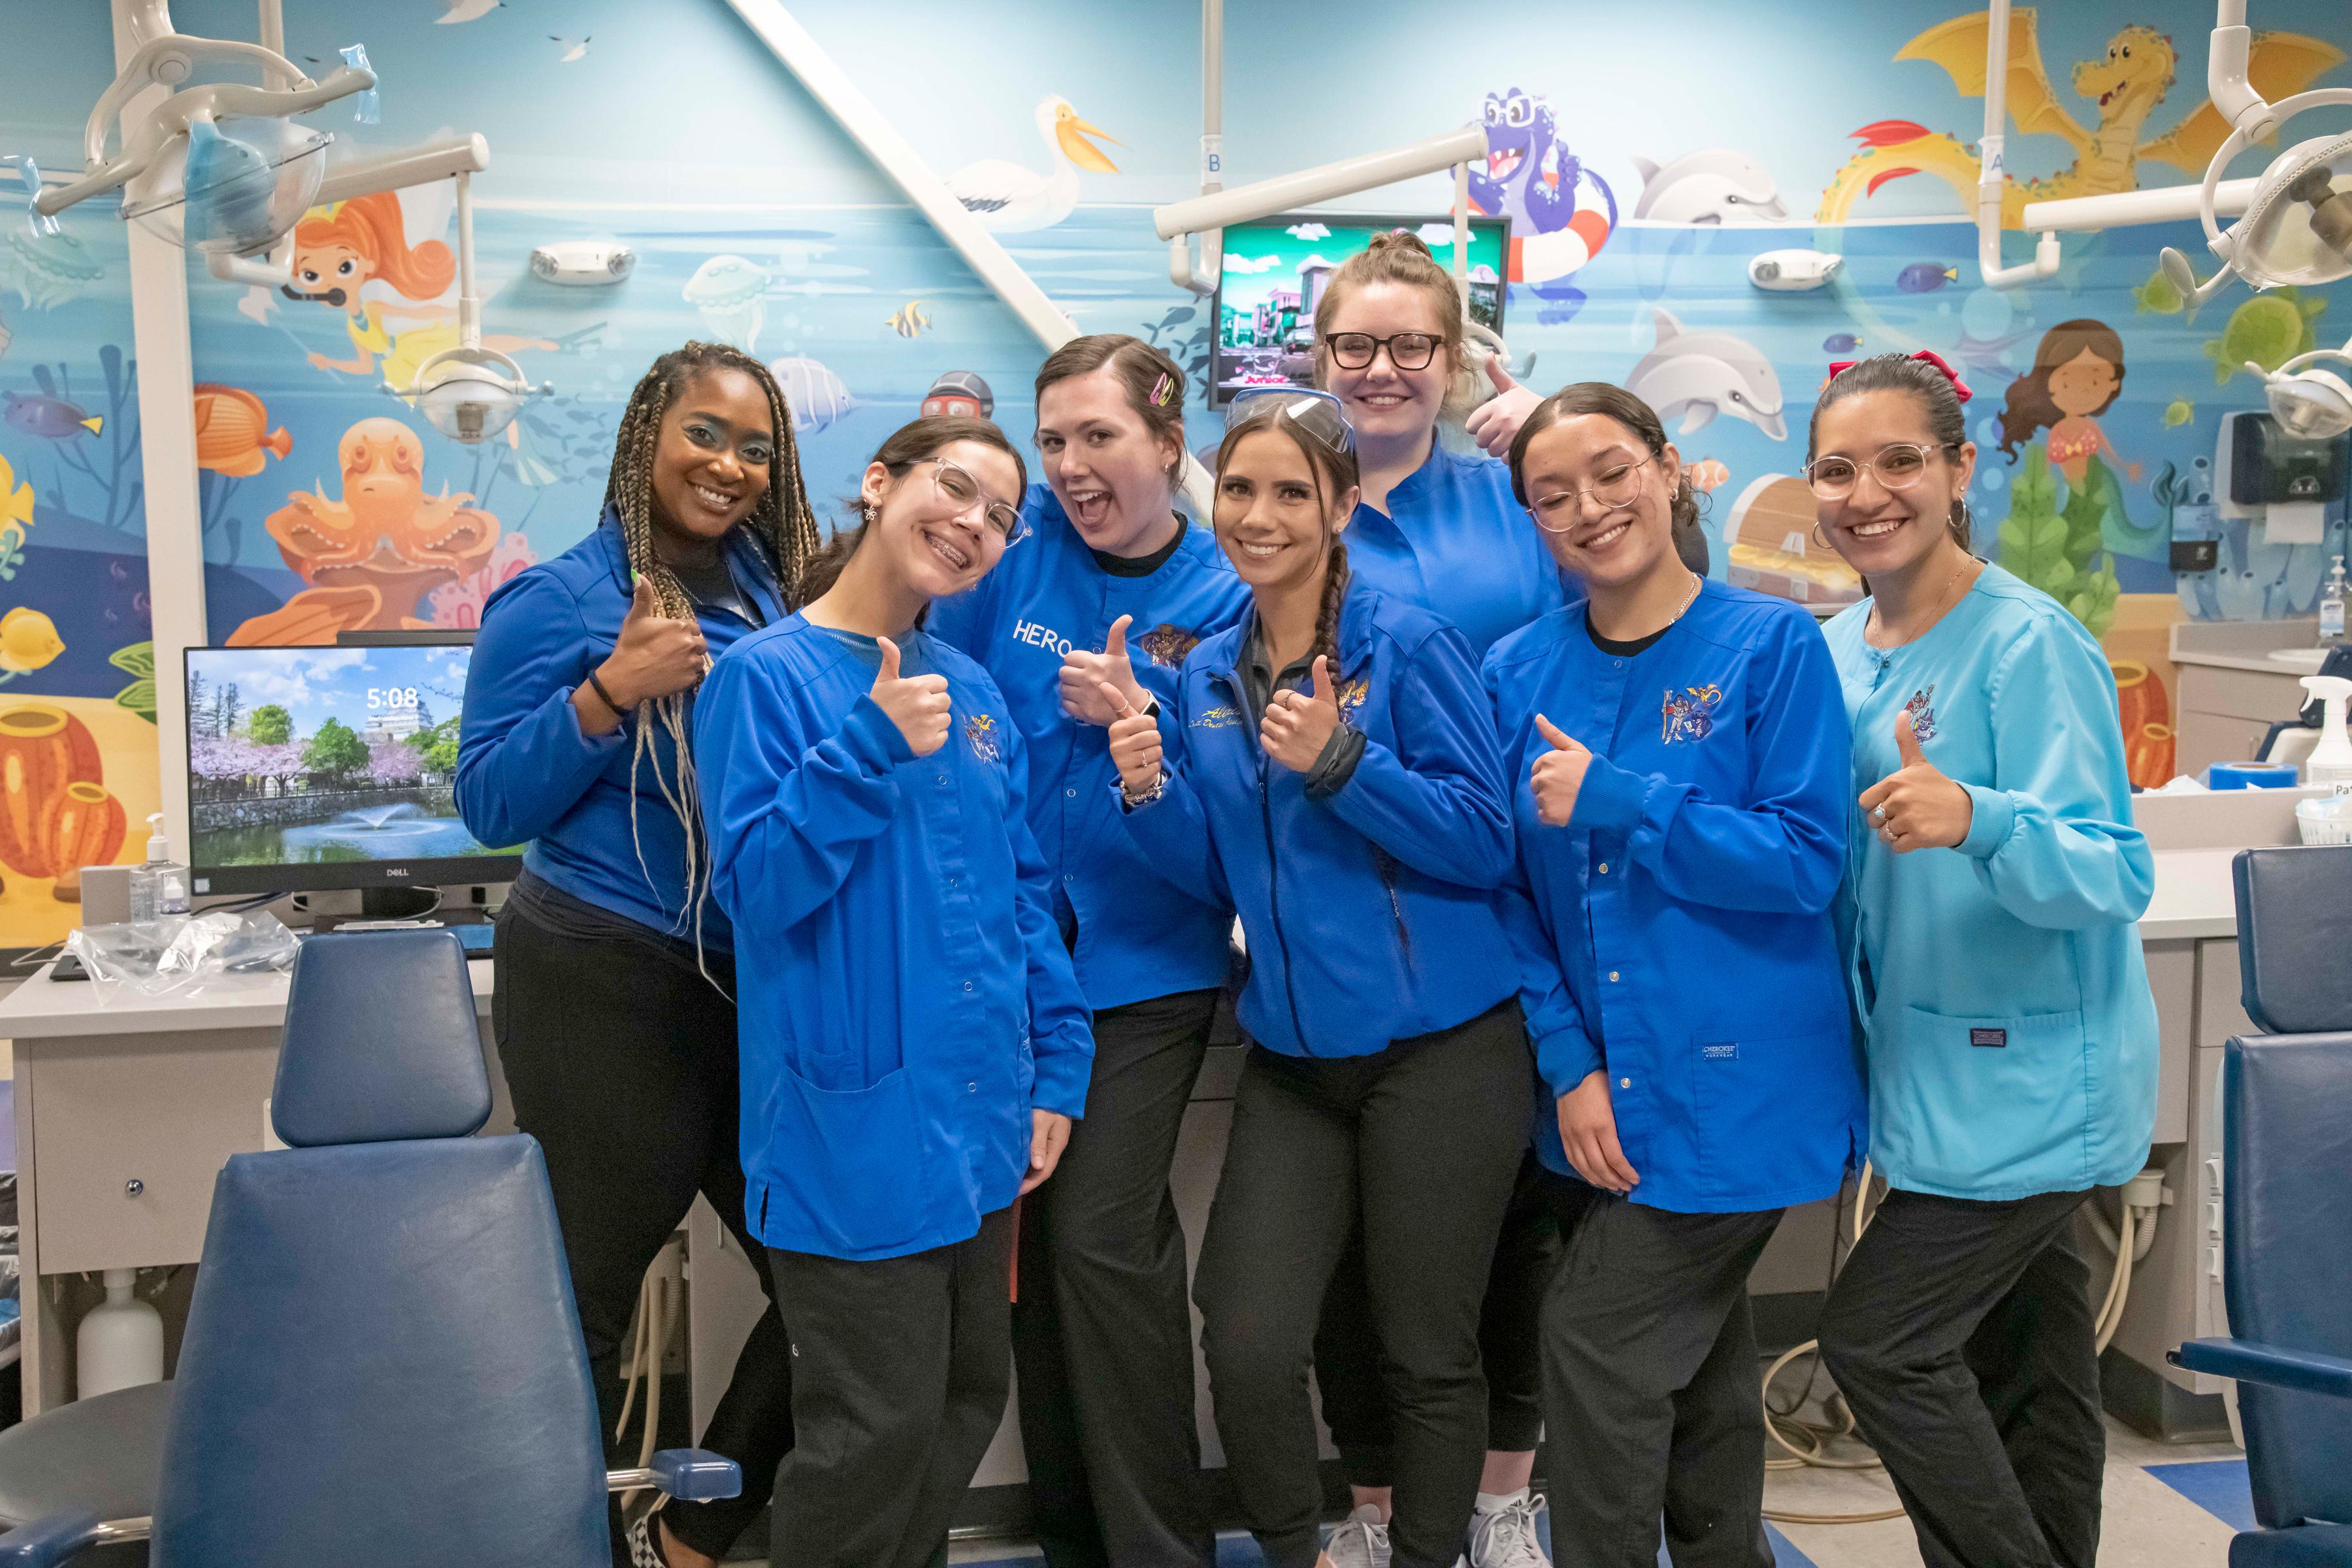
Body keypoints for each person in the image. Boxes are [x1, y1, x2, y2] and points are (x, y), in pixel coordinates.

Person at [1105, 391, 1530, 1568]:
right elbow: (1213, 876)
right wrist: (1146, 784)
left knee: (1425, 1352)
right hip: (1294, 1058)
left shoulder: (1410, 643)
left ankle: (1429, 1554)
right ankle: (1301, 1548)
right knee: (1244, 1335)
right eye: (1239, 488)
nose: (1259, 514)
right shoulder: (1205, 676)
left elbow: (1483, 838)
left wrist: (1345, 761)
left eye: (1293, 490)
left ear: (1342, 506)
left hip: (1441, 1053)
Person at [694, 416, 1095, 1568]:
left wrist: (1055, 1069)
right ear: (880, 485)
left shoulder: (971, 691)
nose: (972, 525)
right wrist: (863, 750)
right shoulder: (762, 680)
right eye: (952, 489)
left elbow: (1022, 900)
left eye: (998, 516)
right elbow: (760, 896)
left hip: (979, 1125)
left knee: (960, 1408)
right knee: (870, 1432)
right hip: (849, 1128)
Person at [1486, 383, 1865, 1568]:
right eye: (1554, 497)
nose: (1591, 508)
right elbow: (1507, 892)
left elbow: (1806, 862)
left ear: (1669, 469)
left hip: (1741, 1090)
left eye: (1612, 473)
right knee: (1697, 1377)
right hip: (1607, 1091)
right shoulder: (1517, 670)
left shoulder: (1771, 646)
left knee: (1594, 1350)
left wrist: (1624, 800)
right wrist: (1569, 1063)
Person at [456, 341, 817, 1568]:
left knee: (834, 1281)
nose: (729, 465)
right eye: (704, 434)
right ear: (644, 436)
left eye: (755, 446)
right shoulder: (560, 597)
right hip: (604, 977)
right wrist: (610, 690)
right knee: (583, 1312)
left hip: (745, 981)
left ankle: (695, 1533)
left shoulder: (772, 591)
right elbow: (489, 802)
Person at [1808, 351, 2158, 1568]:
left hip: (2031, 1089)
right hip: (1932, 1076)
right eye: (1839, 469)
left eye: (1902, 460)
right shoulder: (1842, 645)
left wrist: (1981, 816)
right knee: (2031, 1377)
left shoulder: (2026, 644)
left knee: (1880, 1344)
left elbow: (2115, 872)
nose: (1869, 493)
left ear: (1960, 469)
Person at [930, 335, 1248, 1568]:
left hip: (1140, 976)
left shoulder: (1224, 597)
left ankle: (1159, 1547)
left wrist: (1141, 743)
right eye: (1052, 440)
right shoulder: (1011, 562)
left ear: (1168, 446)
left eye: (1097, 437)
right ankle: (1078, 1537)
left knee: (1105, 1245)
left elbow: (1229, 847)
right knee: (1036, 1255)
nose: (1068, 466)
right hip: (1005, 972)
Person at [1301, 226, 1564, 1568]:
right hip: (1338, 922)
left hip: (1503, 905)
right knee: (1361, 1254)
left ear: (1456, 362)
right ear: (1320, 356)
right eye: (1358, 345)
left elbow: (1621, 623)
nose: (1384, 369)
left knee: (1508, 1234)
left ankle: (1508, 1495)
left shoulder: (1516, 501)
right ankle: (1374, 1510)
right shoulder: (1285, 502)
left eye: (1412, 346)